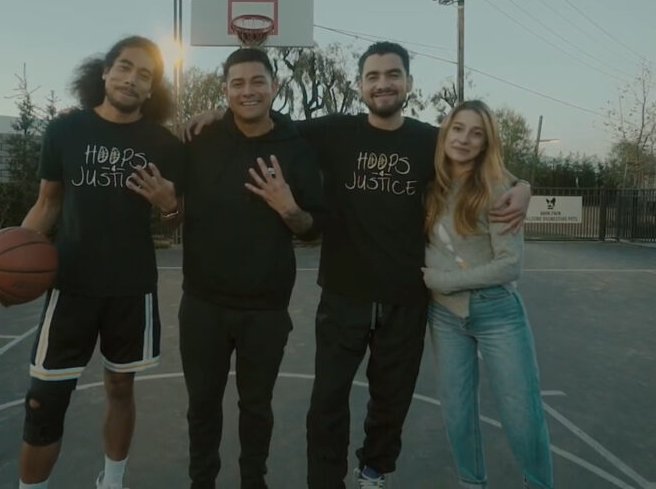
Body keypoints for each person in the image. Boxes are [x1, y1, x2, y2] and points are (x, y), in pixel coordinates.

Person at [185, 41, 531, 488]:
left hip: (406, 297)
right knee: (326, 403)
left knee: (390, 403)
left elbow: (484, 162)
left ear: (407, 82)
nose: (383, 84)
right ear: (360, 84)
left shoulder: (431, 141)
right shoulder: (333, 132)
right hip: (344, 294)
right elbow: (264, 119)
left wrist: (521, 186)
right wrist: (218, 111)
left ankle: (373, 472)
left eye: (392, 75)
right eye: (373, 76)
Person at [12, 36, 184, 489]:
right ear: (104, 73)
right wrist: (8, 266)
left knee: (120, 388)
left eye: (144, 75)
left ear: (152, 90)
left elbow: (177, 219)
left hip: (130, 288)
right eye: (125, 67)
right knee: (43, 401)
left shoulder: (161, 144)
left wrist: (169, 205)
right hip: (70, 284)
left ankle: (111, 482)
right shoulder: (65, 131)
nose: (132, 78)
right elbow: (47, 205)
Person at [180, 47, 327, 489]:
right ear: (224, 90)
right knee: (202, 406)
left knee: (256, 406)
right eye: (238, 83)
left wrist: (289, 208)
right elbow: (172, 197)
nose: (248, 91)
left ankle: (252, 480)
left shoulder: (297, 148)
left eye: (258, 81)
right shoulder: (200, 139)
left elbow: (311, 229)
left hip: (265, 307)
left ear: (275, 87)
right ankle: (201, 481)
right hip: (203, 302)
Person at [421, 100, 553, 489]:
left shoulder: (498, 188)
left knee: (521, 413)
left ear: (486, 142)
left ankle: (539, 484)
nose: (464, 139)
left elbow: (510, 266)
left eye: (476, 133)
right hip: (445, 317)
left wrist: (443, 281)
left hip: (496, 312)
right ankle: (471, 483)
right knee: (457, 413)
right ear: (446, 131)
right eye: (458, 129)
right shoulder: (430, 180)